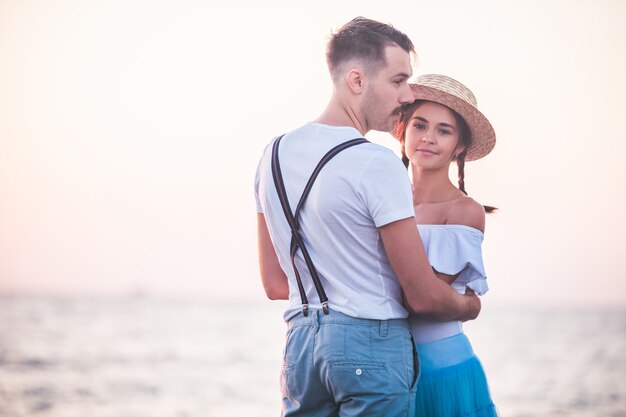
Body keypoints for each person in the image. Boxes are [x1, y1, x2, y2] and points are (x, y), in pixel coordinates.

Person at [254, 18, 480, 417]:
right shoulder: (376, 163)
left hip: (301, 348)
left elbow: (275, 284)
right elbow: (423, 296)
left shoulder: (272, 155)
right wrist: (469, 306)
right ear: (357, 80)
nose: (407, 95)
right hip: (371, 346)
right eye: (398, 81)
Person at [392, 73, 499, 417]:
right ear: (402, 131)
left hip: (442, 371)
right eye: (419, 125)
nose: (428, 138)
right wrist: (467, 306)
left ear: (460, 146)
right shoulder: (384, 202)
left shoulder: (463, 210)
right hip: (386, 370)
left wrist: (468, 307)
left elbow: (421, 300)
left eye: (443, 130)